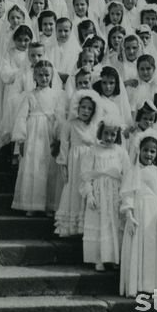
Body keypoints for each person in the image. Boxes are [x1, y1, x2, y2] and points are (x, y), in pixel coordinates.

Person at [118, 129, 157, 297]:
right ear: (139, 151)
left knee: (153, 249)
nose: (149, 154)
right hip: (139, 212)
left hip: (154, 214)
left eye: (152, 151)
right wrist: (129, 214)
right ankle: (137, 285)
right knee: (137, 247)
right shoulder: (133, 171)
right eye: (146, 150)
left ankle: (153, 286)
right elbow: (128, 193)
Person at [11, 60, 66, 214]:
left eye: (47, 75)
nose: (44, 78)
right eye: (40, 75)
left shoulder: (58, 95)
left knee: (50, 167)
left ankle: (50, 204)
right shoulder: (29, 95)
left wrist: (58, 137)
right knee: (34, 166)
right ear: (34, 76)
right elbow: (21, 117)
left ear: (52, 76)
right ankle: (33, 204)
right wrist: (21, 139)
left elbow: (60, 116)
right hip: (33, 134)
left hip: (50, 132)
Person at [80, 117, 130, 271]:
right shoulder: (93, 151)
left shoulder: (120, 152)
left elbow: (127, 174)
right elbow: (86, 174)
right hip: (99, 192)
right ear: (100, 133)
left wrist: (125, 196)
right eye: (106, 134)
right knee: (100, 224)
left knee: (114, 224)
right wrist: (89, 195)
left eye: (113, 135)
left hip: (115, 193)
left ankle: (115, 257)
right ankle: (99, 258)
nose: (109, 138)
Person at [55, 90, 102, 235]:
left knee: (88, 188)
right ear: (77, 107)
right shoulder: (70, 124)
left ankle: (86, 226)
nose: (86, 111)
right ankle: (71, 227)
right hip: (75, 160)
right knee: (74, 188)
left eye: (89, 108)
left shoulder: (95, 126)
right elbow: (64, 143)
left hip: (90, 160)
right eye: (83, 107)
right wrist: (63, 164)